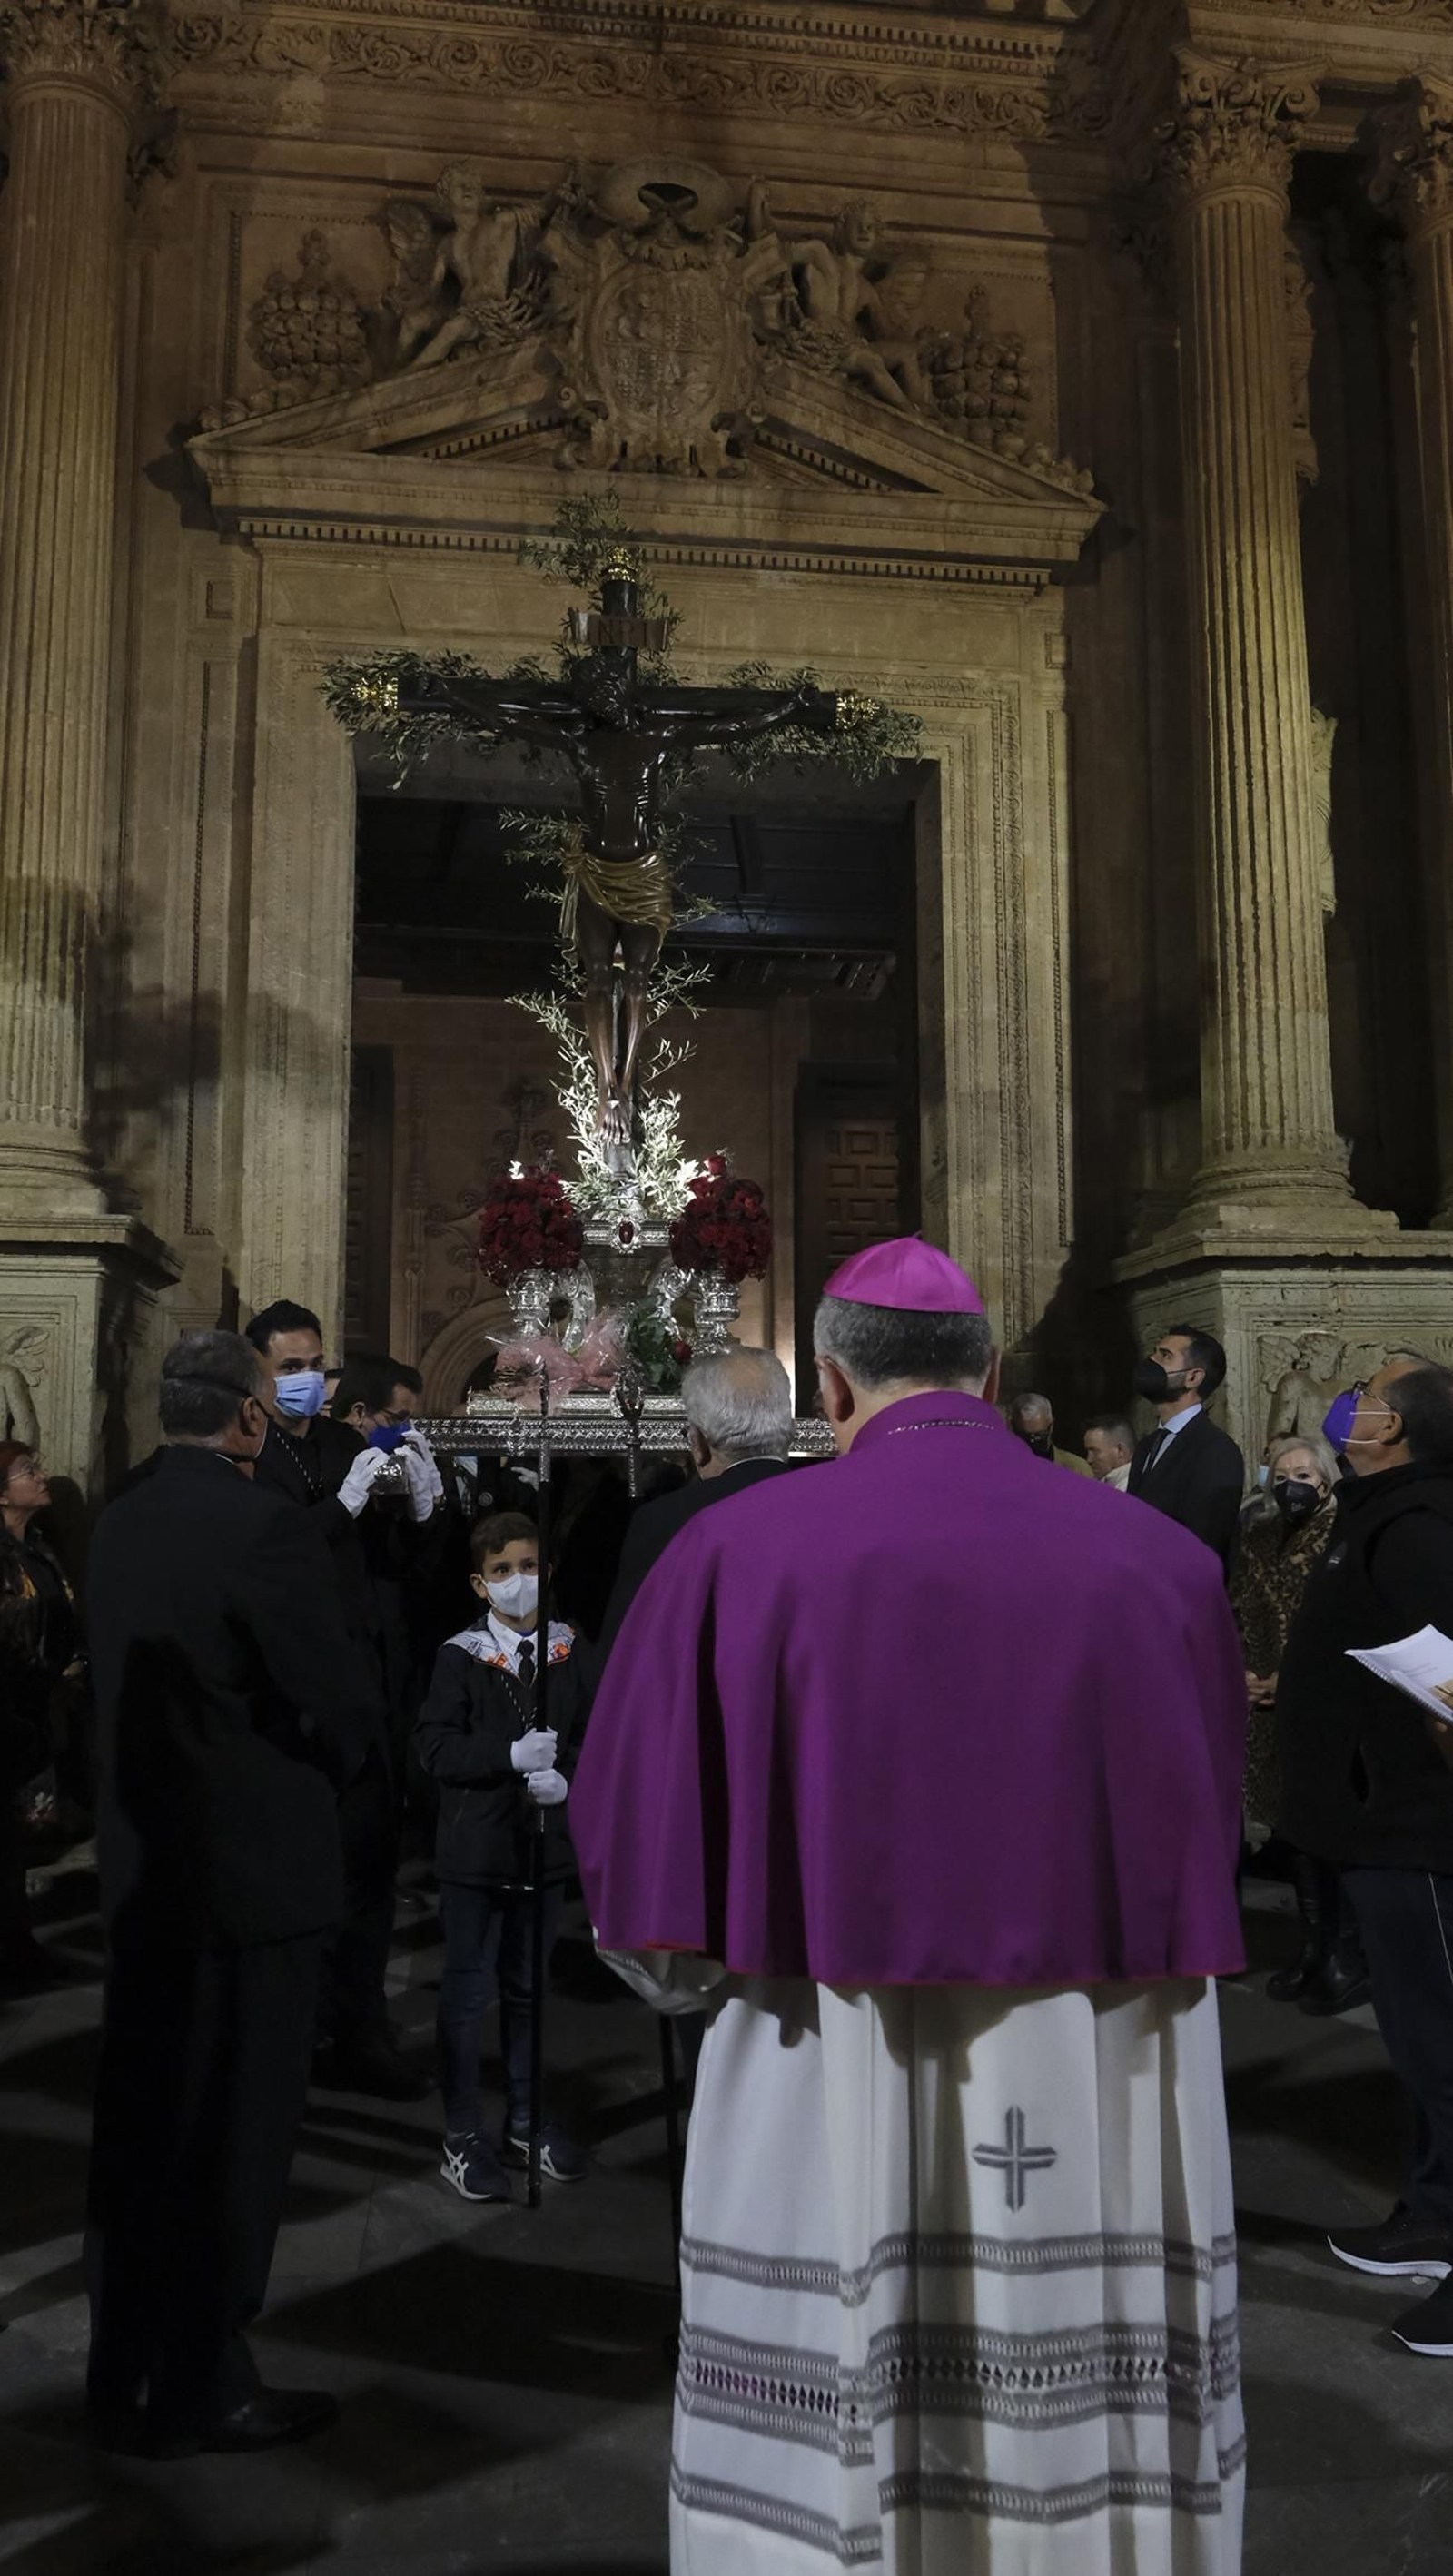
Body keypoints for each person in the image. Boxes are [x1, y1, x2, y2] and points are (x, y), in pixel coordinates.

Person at [572, 1236, 1248, 2573]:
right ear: (991, 1374)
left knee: (839, 2397)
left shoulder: (730, 1550)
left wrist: (698, 1976)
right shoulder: (1159, 1561)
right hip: (1102, 2038)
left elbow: (637, 1848)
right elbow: (1220, 1806)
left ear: (828, 1385)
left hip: (824, 2025)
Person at [84, 1332, 373, 2454]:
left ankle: (122, 2369)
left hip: (145, 1875)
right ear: (252, 1418)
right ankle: (208, 2381)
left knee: (143, 2123)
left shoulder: (118, 1517)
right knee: (234, 2141)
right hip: (251, 1882)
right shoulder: (266, 1527)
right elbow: (336, 1701)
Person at [1278, 1357, 1453, 2356]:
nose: (1347, 1403)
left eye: (1366, 1395)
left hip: (1419, 1826)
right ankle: (1433, 2211)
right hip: (1378, 1822)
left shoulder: (1421, 1522)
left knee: (1445, 2048)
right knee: (1419, 2037)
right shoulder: (1379, 1507)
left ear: (1395, 1428)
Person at [247, 1298, 440, 2098]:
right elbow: (274, 1559)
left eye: (314, 1366)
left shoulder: (339, 1442)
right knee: (296, 1877)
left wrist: (422, 1511)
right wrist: (342, 1507)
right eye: (289, 1367)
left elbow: (389, 1568)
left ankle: (359, 2027)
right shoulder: (250, 1456)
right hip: (292, 1697)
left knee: (368, 1870)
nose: (307, 1381)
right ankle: (291, 2033)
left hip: (363, 1682)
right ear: (256, 1373)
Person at [414, 1514, 589, 2203]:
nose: (520, 1580)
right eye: (503, 1570)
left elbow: (597, 1730)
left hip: (541, 1850)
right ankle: (462, 2133)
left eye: (531, 1564)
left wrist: (567, 1779)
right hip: (475, 1850)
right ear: (479, 1584)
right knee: (465, 1996)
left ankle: (527, 2117)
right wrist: (506, 1757)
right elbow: (435, 1746)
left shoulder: (570, 1649)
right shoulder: (459, 1655)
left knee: (530, 1991)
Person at [1228, 1432, 1364, 2008]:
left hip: (1324, 1704)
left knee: (1333, 1830)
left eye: (1304, 1474)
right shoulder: (1257, 1536)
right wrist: (1246, 1673)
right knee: (1293, 1829)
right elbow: (1237, 1608)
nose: (1292, 1484)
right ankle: (1313, 1944)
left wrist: (1293, 1679)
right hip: (1265, 1702)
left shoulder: (1346, 1538)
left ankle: (1348, 1954)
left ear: (1327, 1480)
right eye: (1282, 1474)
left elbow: (1351, 1624)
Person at [598, 1347, 796, 1653]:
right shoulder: (838, 1511)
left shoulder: (666, 1521)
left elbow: (627, 1655)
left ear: (699, 1442)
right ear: (788, 1429)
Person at [0, 1443, 84, 1990]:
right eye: (27, 1471)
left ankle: (17, 1949)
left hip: (35, 1710)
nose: (41, 1474)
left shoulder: (38, 1548)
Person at [1128, 1325, 1246, 1568]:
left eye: (1165, 1355)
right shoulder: (1147, 1445)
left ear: (1193, 1377)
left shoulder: (1216, 1451)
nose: (1152, 1360)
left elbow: (1204, 1543)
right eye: (1154, 1352)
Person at [1006, 1388, 1092, 1475]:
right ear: (1012, 1427)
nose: (1032, 1442)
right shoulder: (1002, 1466)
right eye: (1025, 1436)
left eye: (1039, 1435)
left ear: (1051, 1426)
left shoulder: (1077, 1469)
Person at [1084, 1411, 1134, 1490]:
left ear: (1120, 1450)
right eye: (1088, 1452)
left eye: (1095, 1451)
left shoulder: (1134, 1489)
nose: (1089, 1460)